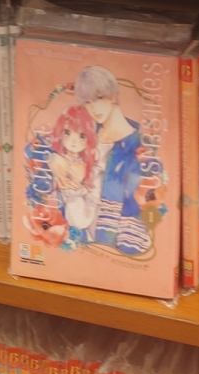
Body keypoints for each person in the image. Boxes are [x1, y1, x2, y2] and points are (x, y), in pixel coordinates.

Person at [74, 65, 152, 256]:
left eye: (99, 98)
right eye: (87, 102)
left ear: (113, 96)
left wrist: (125, 253)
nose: (93, 108)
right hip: (78, 232)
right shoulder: (85, 131)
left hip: (113, 243)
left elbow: (146, 208)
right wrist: (54, 160)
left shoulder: (140, 146)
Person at [47, 104, 100, 241]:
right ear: (60, 133)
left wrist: (74, 195)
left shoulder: (90, 169)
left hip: (77, 225)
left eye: (82, 136)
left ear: (89, 139)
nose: (74, 141)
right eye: (67, 133)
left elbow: (84, 219)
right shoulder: (54, 160)